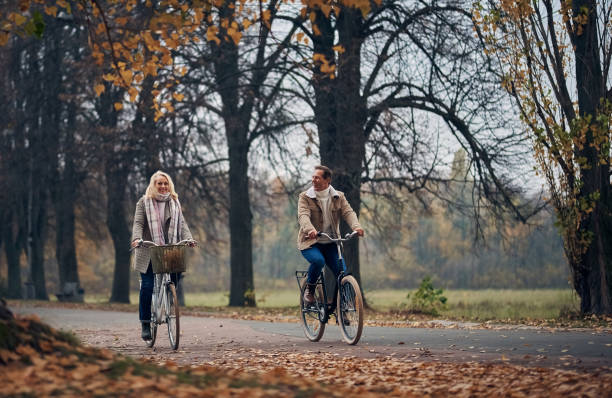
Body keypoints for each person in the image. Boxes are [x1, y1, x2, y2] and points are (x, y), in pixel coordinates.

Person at [131, 171, 194, 340]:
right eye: (159, 183)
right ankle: (145, 322)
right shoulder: (144, 202)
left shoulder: (174, 202)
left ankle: (169, 297)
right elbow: (138, 223)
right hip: (148, 249)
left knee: (175, 277)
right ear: (153, 185)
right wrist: (137, 238)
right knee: (147, 285)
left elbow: (182, 223)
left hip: (168, 249)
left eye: (165, 183)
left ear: (169, 185)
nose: (163, 186)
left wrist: (188, 238)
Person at [297, 165, 364, 304]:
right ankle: (310, 290)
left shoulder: (338, 197)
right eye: (313, 177)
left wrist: (356, 227)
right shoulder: (305, 197)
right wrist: (310, 230)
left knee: (342, 274)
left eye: (317, 178)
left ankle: (344, 309)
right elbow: (303, 215)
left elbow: (348, 212)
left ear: (328, 180)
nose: (314, 180)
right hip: (311, 243)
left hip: (331, 243)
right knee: (318, 261)